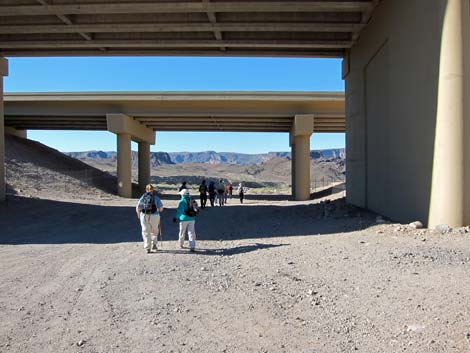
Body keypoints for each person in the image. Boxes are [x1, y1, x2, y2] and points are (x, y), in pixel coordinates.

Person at [136, 184, 164, 253]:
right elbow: (161, 209)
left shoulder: (143, 197)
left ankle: (148, 248)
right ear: (153, 190)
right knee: (154, 231)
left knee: (146, 231)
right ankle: (154, 244)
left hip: (144, 216)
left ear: (146, 190)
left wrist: (138, 215)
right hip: (155, 216)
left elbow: (138, 207)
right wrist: (158, 210)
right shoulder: (156, 197)